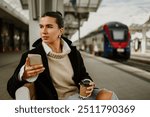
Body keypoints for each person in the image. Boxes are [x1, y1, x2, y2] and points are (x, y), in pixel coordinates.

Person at [7, 11, 118, 100]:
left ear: (60, 31)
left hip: (80, 96)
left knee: (108, 95)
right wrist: (22, 74)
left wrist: (88, 83)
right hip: (61, 102)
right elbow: (11, 89)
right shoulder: (32, 55)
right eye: (41, 27)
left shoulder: (73, 53)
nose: (43, 31)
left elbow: (83, 75)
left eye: (49, 26)